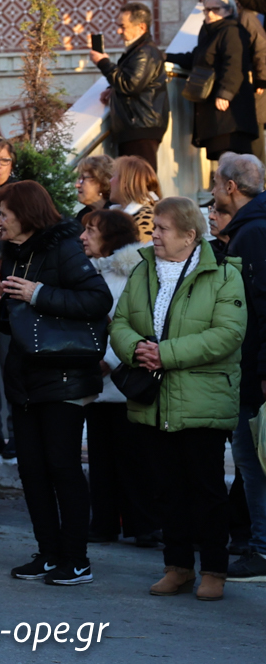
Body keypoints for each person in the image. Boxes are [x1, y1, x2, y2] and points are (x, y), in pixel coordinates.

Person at [108, 195, 247, 600]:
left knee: (207, 491)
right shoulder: (143, 269)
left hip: (203, 398)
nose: (154, 235)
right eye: (154, 227)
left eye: (162, 228)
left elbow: (228, 334)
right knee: (167, 489)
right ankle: (178, 566)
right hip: (154, 399)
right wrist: (136, 348)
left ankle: (214, 570)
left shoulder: (224, 273)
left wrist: (165, 354)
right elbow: (120, 322)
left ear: (189, 235)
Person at [0, 179, 110, 586]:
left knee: (62, 466)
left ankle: (76, 559)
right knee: (32, 470)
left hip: (65, 375)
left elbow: (98, 300)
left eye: (5, 213)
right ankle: (48, 552)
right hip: (25, 375)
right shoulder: (11, 253)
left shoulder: (64, 248)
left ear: (26, 215)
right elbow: (15, 320)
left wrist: (38, 293)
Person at [79, 207, 160, 551]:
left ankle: (144, 525)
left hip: (124, 381)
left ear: (110, 237)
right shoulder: (91, 272)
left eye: (91, 231)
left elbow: (136, 322)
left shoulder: (130, 274)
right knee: (101, 458)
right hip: (97, 384)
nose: (83, 237)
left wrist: (108, 360)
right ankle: (104, 522)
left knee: (133, 458)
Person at [210, 156, 266, 581]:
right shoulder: (250, 228)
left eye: (215, 184)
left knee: (252, 462)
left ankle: (261, 549)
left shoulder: (252, 233)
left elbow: (258, 309)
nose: (213, 193)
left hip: (253, 373)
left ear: (231, 187)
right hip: (251, 369)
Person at [166, 0, 257, 162]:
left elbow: (234, 64)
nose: (209, 13)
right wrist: (165, 56)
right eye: (206, 10)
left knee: (234, 158)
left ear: (229, 11)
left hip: (230, 110)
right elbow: (195, 59)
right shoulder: (209, 33)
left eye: (215, 9)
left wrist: (225, 93)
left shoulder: (232, 31)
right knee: (223, 158)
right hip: (213, 109)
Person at [90, 2, 169, 165]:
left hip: (141, 127)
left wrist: (103, 63)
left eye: (123, 27)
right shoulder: (139, 50)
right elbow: (133, 80)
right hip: (136, 126)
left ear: (141, 27)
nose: (118, 31)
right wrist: (112, 89)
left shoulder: (145, 52)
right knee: (131, 177)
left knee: (140, 178)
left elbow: (130, 85)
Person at [110, 154, 160, 243]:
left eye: (113, 176)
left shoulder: (146, 217)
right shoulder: (127, 215)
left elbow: (143, 250)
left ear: (125, 182)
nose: (110, 181)